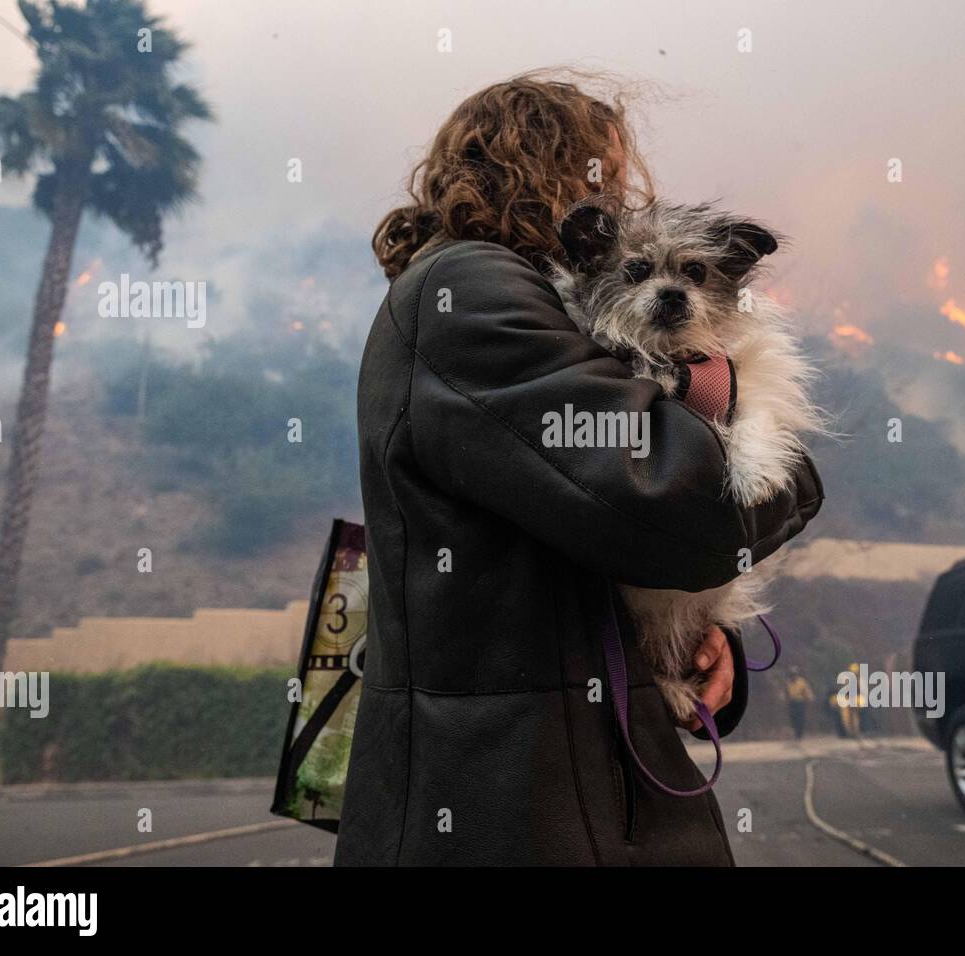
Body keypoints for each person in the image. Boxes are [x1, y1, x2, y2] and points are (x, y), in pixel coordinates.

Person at [334, 71, 823, 866]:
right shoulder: (475, 289)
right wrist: (789, 469)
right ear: (556, 169)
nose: (624, 195)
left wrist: (691, 645)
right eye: (609, 170)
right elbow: (674, 505)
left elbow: (590, 524)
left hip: (546, 774)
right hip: (524, 799)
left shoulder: (498, 297)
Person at [784, 667, 816, 740]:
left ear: (797, 675)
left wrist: (811, 698)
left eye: (795, 674)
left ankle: (799, 734)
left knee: (800, 718)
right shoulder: (788, 682)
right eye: (792, 675)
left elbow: (807, 690)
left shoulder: (802, 682)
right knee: (793, 718)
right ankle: (796, 732)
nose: (793, 676)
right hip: (792, 702)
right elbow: (786, 692)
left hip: (800, 702)